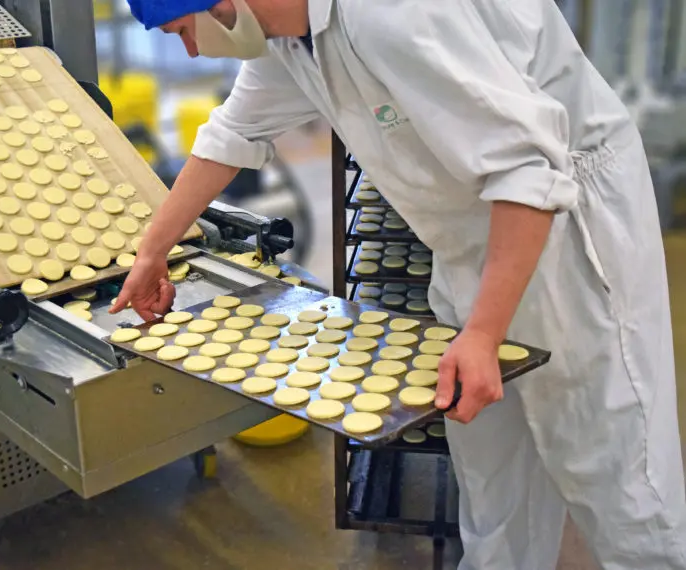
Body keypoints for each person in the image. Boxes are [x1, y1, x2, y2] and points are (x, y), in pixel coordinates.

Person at [114, 1, 686, 568]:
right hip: (469, 229)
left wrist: (483, 334)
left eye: (183, 30)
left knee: (609, 459)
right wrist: (153, 250)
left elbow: (529, 169)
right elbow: (233, 132)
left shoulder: (393, 14)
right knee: (490, 456)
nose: (190, 50)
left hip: (565, 222)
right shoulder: (290, 37)